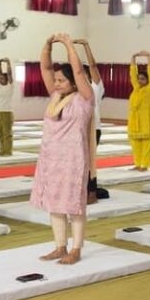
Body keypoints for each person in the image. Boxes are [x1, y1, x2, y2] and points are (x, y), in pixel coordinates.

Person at [31, 33, 95, 265]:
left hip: (73, 158)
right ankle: (60, 246)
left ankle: (76, 249)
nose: (56, 83)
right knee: (54, 202)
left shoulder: (84, 98)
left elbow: (78, 72)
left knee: (74, 205)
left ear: (73, 82)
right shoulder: (56, 95)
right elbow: (45, 68)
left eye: (61, 80)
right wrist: (47, 45)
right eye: (56, 81)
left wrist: (68, 45)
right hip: (51, 156)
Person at [75, 39, 105, 204]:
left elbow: (92, 66)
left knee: (88, 161)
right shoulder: (75, 90)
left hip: (93, 129)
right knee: (79, 162)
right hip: (77, 129)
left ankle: (91, 192)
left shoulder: (96, 87)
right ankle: (82, 189)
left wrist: (86, 46)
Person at [127, 51, 150, 171]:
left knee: (146, 144)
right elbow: (132, 74)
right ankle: (138, 163)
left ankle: (145, 165)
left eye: (142, 79)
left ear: (148, 80)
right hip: (134, 120)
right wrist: (133, 58)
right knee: (135, 143)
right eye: (138, 78)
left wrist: (149, 57)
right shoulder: (136, 88)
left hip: (146, 120)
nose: (139, 80)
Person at [0, 57, 15, 156]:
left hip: (7, 112)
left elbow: (9, 74)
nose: (0, 79)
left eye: (3, 78)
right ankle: (2, 150)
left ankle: (8, 151)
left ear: (6, 79)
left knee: (6, 133)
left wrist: (8, 63)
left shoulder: (10, 86)